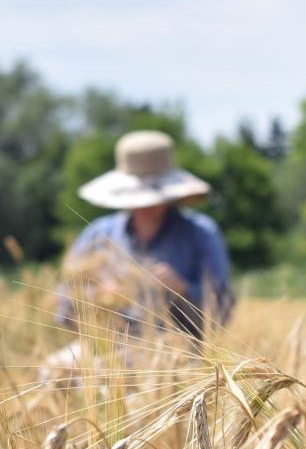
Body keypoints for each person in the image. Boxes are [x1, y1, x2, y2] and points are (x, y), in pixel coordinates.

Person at [57, 130, 234, 341]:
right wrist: (95, 298)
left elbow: (223, 312)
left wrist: (182, 289)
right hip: (106, 349)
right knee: (54, 369)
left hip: (178, 353)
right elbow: (62, 306)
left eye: (151, 199)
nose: (144, 206)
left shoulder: (201, 233)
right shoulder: (97, 234)